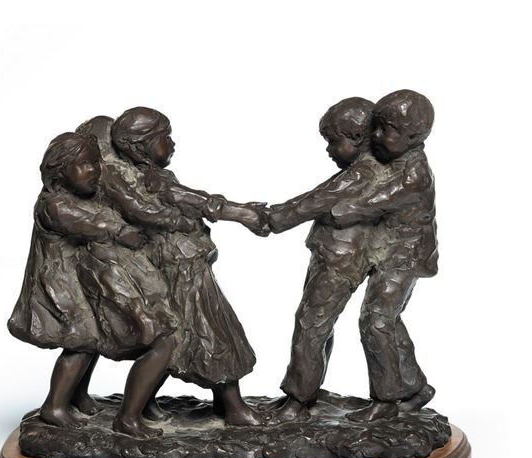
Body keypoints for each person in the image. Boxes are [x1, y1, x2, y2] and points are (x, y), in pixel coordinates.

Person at [267, 91, 437, 422]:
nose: (377, 137)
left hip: (403, 254)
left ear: (413, 135)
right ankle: (412, 388)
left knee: (374, 320)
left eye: (384, 130)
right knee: (382, 321)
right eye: (377, 128)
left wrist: (342, 210)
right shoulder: (386, 161)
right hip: (386, 252)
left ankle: (386, 400)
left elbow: (373, 200)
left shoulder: (408, 173)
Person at [107, 106, 269, 426]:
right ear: (141, 146)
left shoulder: (145, 177)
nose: (172, 143)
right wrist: (242, 213)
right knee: (214, 332)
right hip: (183, 270)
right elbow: (194, 199)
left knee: (181, 341)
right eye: (164, 137)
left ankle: (145, 406)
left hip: (183, 266)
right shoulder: (152, 181)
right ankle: (233, 408)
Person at [8, 132, 155, 430]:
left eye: (96, 163)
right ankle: (55, 405)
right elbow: (87, 223)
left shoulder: (74, 197)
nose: (94, 170)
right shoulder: (53, 205)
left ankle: (77, 395)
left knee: (92, 339)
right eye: (84, 165)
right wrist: (120, 231)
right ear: (59, 171)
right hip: (57, 285)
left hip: (74, 280)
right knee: (81, 340)